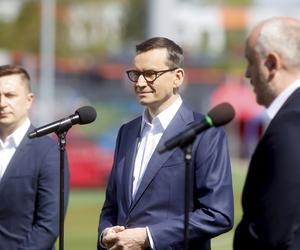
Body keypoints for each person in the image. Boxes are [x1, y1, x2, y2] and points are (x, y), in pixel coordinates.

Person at [98, 37, 234, 250]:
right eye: (136, 74)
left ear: (177, 77)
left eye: (150, 74)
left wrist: (148, 237)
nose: (140, 83)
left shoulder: (206, 133)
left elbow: (218, 214)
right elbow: (111, 206)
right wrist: (105, 234)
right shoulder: (127, 132)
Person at [234, 16, 300, 250]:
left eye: (251, 62)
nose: (247, 74)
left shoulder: (290, 123)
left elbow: (278, 232)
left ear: (272, 64)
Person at [0, 64, 69, 249]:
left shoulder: (49, 151)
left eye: (10, 95)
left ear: (29, 100)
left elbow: (48, 225)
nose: (2, 103)